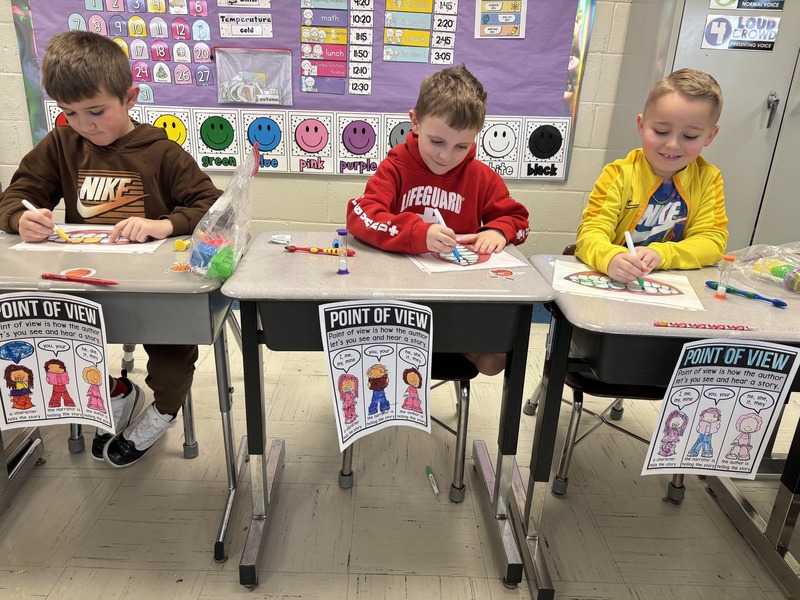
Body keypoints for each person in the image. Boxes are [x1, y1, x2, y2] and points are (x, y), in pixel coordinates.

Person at [0, 31, 222, 467]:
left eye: (97, 112)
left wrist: (163, 224)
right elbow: (18, 194)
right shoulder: (62, 145)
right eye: (70, 113)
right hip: (86, 284)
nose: (85, 125)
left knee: (172, 358)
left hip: (155, 291)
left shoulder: (161, 152)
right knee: (55, 344)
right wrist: (19, 218)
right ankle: (115, 390)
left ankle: (163, 411)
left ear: (130, 97)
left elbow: (212, 206)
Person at [346, 65, 530, 376]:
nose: (447, 156)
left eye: (462, 146)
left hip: (457, 303)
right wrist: (418, 233)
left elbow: (518, 219)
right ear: (415, 121)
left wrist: (500, 230)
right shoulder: (395, 167)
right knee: (371, 361)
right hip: (399, 302)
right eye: (437, 142)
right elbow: (361, 216)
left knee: (494, 360)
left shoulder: (481, 176)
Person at [575, 68, 728, 284]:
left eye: (690, 136)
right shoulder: (619, 174)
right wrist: (611, 257)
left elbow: (712, 242)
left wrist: (662, 254)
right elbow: (590, 233)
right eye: (661, 132)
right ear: (641, 125)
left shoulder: (708, 178)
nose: (673, 144)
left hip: (670, 286)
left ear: (710, 136)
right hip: (617, 281)